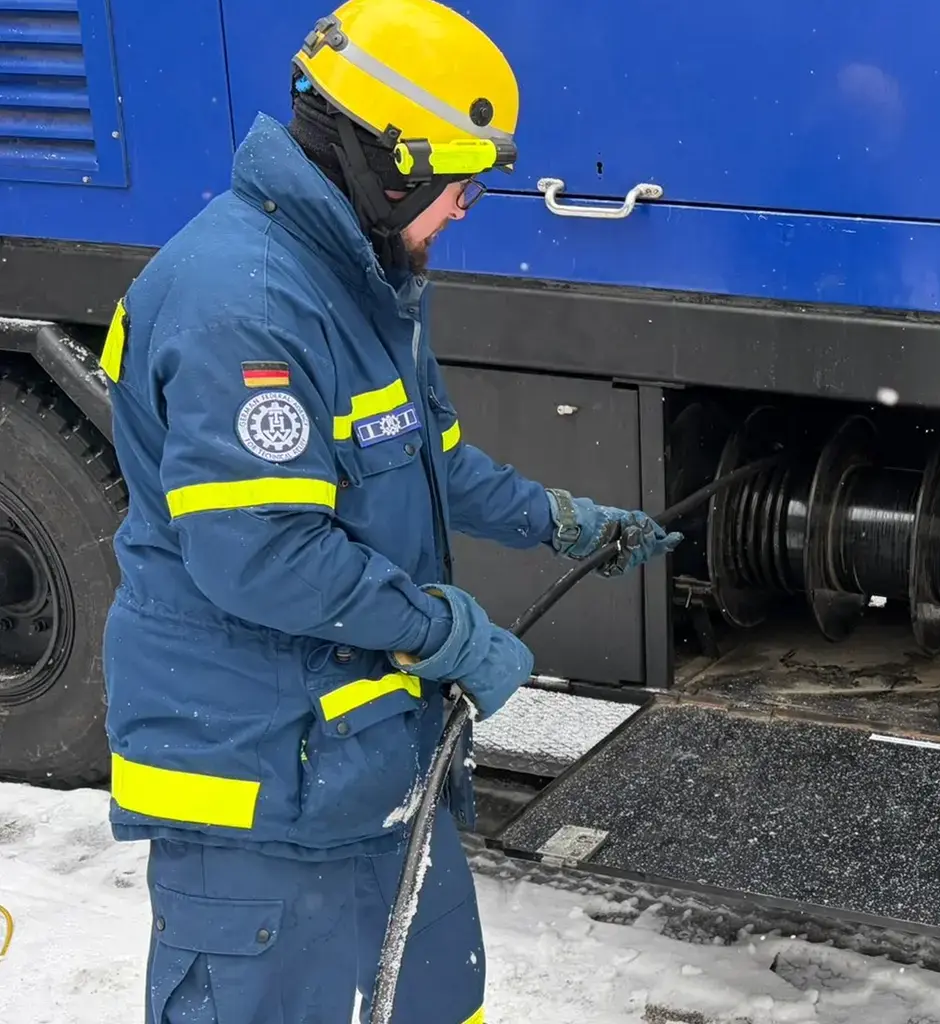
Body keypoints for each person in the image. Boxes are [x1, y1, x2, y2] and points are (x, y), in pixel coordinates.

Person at [96, 2, 681, 1020]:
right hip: (260, 794)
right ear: (389, 161)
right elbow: (261, 554)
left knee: (440, 1000)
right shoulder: (245, 300)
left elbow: (431, 463)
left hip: (369, 764)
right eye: (458, 179)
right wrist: (446, 631)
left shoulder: (371, 281)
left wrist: (563, 520)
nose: (467, 204)